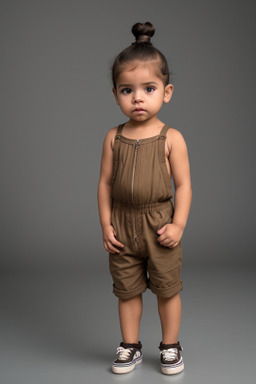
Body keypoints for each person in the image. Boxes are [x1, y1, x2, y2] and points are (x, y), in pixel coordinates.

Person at [97, 21, 192, 375]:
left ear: (166, 92)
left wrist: (178, 223)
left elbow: (183, 186)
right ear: (115, 94)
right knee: (126, 290)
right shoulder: (112, 137)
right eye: (127, 90)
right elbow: (105, 183)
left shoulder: (172, 138)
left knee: (167, 289)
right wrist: (106, 223)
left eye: (148, 88)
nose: (137, 97)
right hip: (122, 224)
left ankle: (170, 345)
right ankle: (129, 345)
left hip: (159, 224)